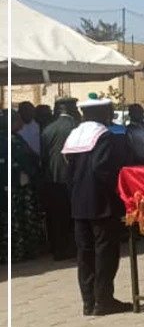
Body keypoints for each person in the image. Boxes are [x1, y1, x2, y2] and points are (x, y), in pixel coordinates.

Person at [63, 95, 131, 316]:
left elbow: (68, 172)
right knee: (105, 251)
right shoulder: (104, 136)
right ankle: (104, 300)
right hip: (101, 203)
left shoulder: (74, 135)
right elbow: (103, 168)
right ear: (101, 113)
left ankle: (88, 301)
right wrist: (118, 190)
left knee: (85, 253)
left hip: (78, 203)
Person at [41, 97, 82, 261]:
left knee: (56, 217)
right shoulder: (76, 127)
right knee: (73, 216)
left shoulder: (47, 129)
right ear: (71, 109)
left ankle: (58, 248)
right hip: (72, 178)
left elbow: (44, 156)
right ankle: (73, 247)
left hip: (52, 179)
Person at [11, 112, 45, 261]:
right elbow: (27, 159)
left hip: (15, 186)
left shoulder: (16, 138)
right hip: (20, 187)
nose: (21, 122)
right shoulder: (13, 140)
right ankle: (24, 251)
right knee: (22, 220)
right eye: (17, 119)